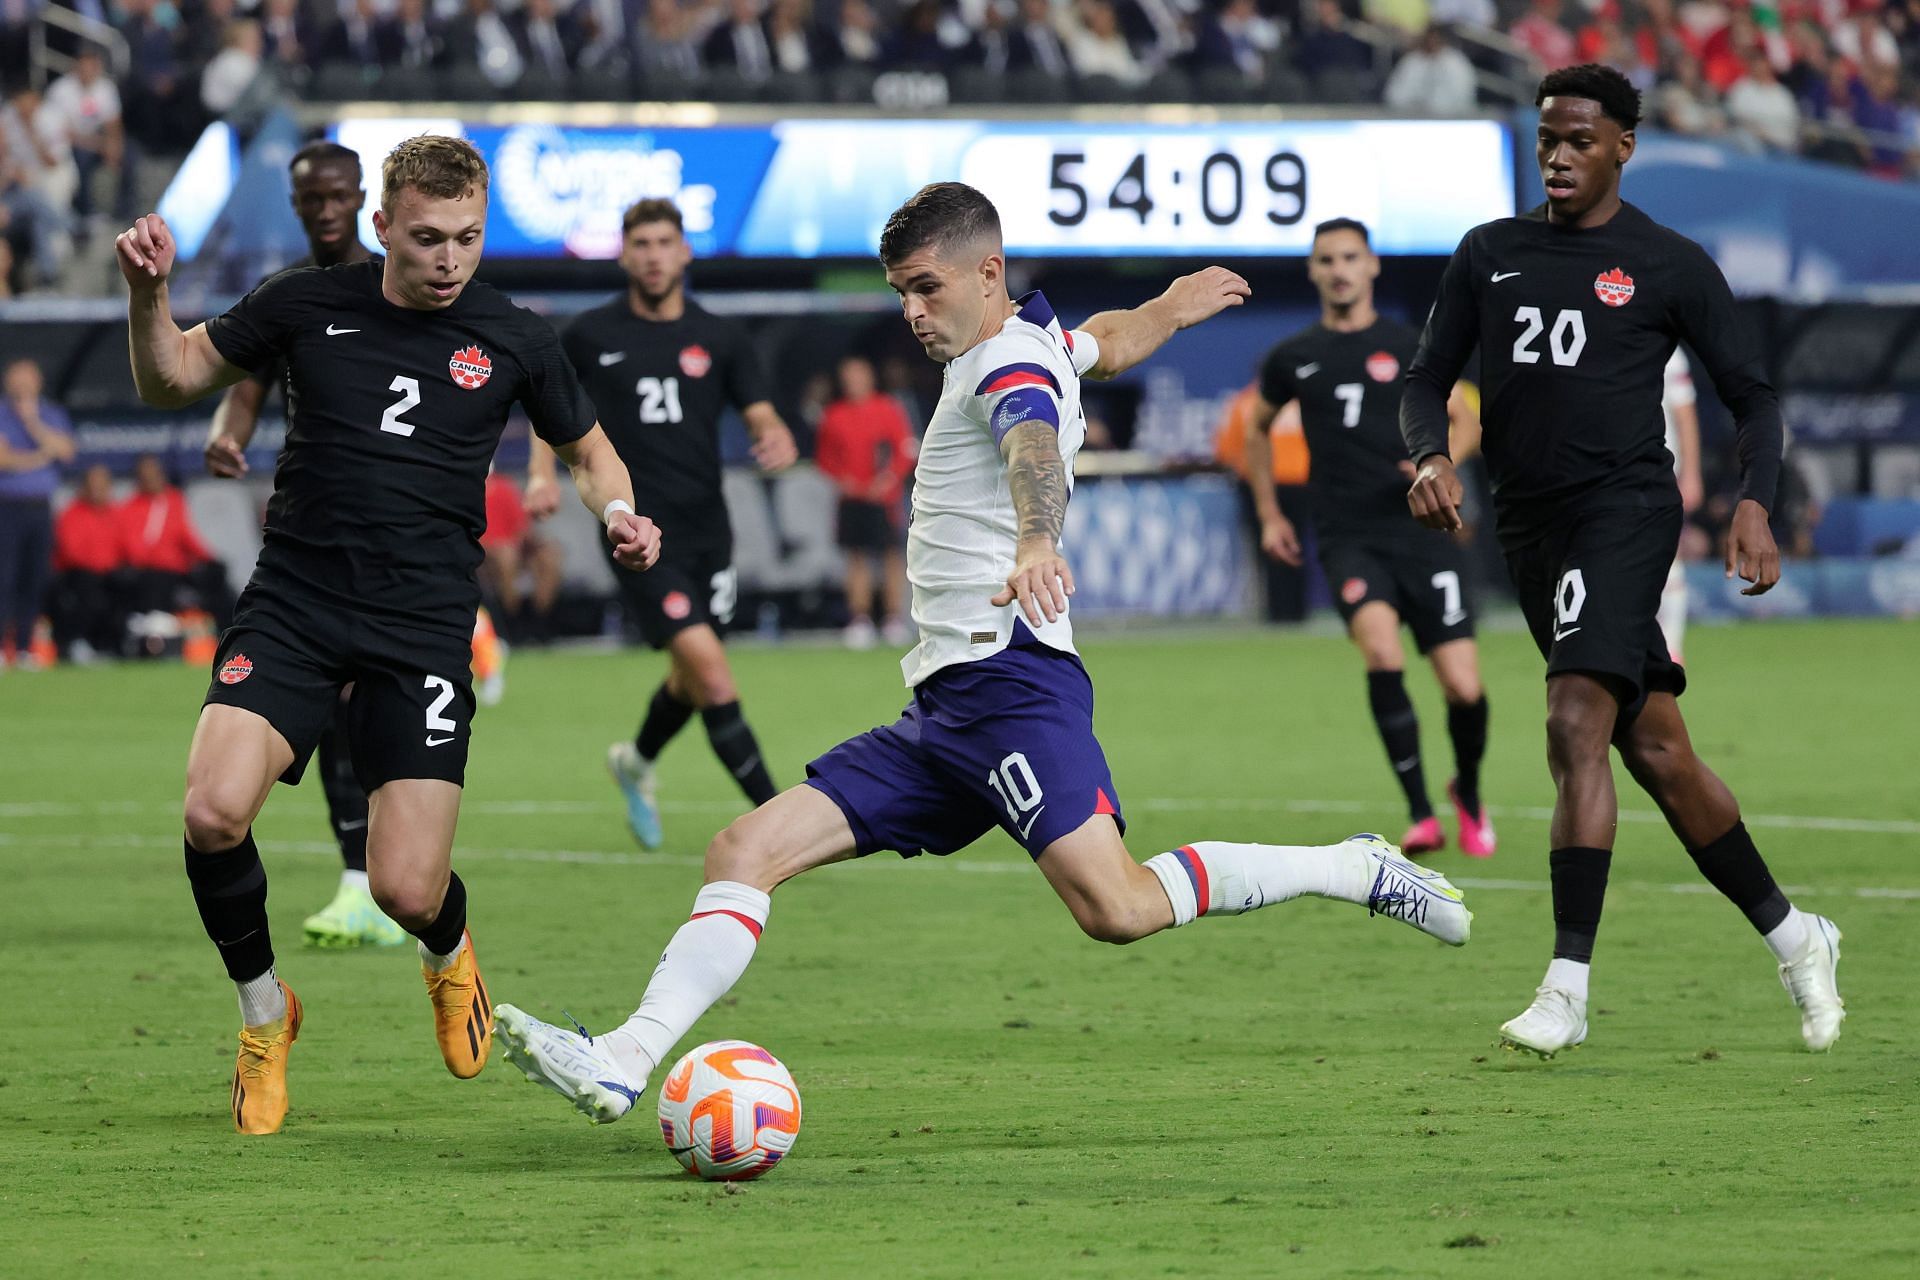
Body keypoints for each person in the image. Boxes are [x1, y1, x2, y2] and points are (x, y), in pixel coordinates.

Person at [493, 182, 1473, 1125]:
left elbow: (1032, 443)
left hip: (1012, 690)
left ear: (988, 271)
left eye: (927, 287)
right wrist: (1174, 303)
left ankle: (1350, 866)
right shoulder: (1039, 337)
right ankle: (621, 1059)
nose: (913, 312)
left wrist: (1037, 534)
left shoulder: (1005, 364)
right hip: (941, 713)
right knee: (742, 849)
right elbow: (1111, 341)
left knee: (1119, 906)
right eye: (901, 293)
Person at [115, 133, 660, 1134]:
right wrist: (150, 295)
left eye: (468, 237)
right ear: (381, 228)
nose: (450, 258)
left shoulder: (516, 336)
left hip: (421, 625)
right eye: (426, 239)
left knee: (409, 885)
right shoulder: (304, 303)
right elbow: (173, 377)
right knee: (211, 811)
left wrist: (618, 511)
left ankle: (449, 954)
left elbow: (589, 452)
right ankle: (265, 1015)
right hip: (296, 603)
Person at [1400, 64, 1843, 1057]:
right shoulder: (1489, 253)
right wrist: (1427, 452)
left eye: (1581, 141)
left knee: (1572, 720)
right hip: (1531, 527)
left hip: (1629, 509)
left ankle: (1567, 985)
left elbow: (1754, 397)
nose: (1560, 155)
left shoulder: (1667, 263)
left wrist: (1754, 504)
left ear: (1623, 148)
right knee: (1657, 750)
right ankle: (1796, 932)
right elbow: (1428, 375)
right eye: (1550, 138)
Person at [535, 197, 798, 852]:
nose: (653, 255)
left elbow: (762, 414)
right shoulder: (590, 334)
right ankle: (781, 820)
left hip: (710, 528)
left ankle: (636, 760)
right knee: (710, 673)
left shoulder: (722, 337)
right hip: (637, 534)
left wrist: (776, 438)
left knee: (690, 675)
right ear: (625, 254)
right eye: (641, 244)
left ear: (684, 252)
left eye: (663, 242)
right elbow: (552, 413)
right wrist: (542, 477)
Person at [204, 140, 407, 950]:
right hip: (317, 537)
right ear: (295, 204)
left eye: (336, 195)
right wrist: (228, 436)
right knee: (333, 706)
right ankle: (361, 880)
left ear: (361, 196)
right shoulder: (289, 297)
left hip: (399, 532)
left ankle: (385, 879)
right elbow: (243, 387)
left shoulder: (402, 286)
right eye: (309, 199)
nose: (324, 208)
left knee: (366, 708)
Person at [1248, 218, 1496, 859]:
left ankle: (1466, 790)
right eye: (1327, 259)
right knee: (1382, 656)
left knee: (1463, 688)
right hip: (1347, 535)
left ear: (1372, 266)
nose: (1339, 270)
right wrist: (1272, 514)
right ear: (1313, 270)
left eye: (1350, 258)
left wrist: (1439, 464)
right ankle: (1420, 814)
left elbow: (1467, 421)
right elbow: (1257, 431)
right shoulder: (1292, 356)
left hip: (1424, 531)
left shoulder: (1412, 344)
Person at [815, 354, 915, 649]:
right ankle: (860, 619)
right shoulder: (834, 415)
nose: (854, 382)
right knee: (856, 558)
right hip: (851, 498)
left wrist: (888, 480)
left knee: (891, 557)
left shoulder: (888, 409)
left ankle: (893, 618)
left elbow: (903, 451)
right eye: (849, 377)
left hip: (885, 498)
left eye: (859, 376)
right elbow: (826, 458)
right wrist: (843, 480)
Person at [0, 355, 75, 667]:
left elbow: (67, 451)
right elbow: (4, 460)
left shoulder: (50, 413)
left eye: (28, 378)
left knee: (35, 578)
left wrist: (32, 422)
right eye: (17, 378)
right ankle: (2, 648)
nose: (22, 384)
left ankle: (24, 648)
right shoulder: (2, 414)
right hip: (8, 507)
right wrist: (43, 455)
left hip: (40, 508)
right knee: (5, 578)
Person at [117, 452, 232, 628]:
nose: (151, 480)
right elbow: (134, 550)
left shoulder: (174, 500)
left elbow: (187, 536)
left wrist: (209, 558)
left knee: (218, 576)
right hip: (152, 571)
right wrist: (159, 558)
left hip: (178, 569)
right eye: (145, 476)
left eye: (154, 474)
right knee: (155, 580)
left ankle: (229, 633)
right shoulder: (129, 508)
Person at [50, 462, 127, 660]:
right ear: (83, 488)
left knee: (128, 583)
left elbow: (127, 547)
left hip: (108, 574)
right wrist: (103, 566)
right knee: (88, 586)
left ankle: (119, 645)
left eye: (102, 486)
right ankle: (78, 643)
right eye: (93, 486)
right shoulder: (71, 514)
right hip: (77, 574)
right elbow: (71, 553)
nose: (98, 491)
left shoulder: (116, 513)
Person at [479, 468, 563, 643]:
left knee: (549, 557)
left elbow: (522, 529)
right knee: (507, 556)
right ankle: (512, 623)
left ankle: (538, 622)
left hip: (514, 549)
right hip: (487, 554)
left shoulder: (504, 486)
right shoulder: (469, 488)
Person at [1657, 348, 1703, 662]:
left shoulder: (1668, 351)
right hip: (1609, 470)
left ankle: (1672, 646)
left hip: (1659, 467)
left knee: (1668, 556)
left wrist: (1691, 472)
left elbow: (1685, 413)